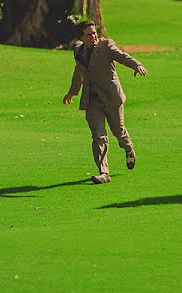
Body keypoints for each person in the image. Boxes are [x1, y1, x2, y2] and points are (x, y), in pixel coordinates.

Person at [63, 21, 148, 184]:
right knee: (98, 136)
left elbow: (122, 56)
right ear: (81, 37)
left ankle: (129, 148)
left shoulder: (106, 46)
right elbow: (79, 73)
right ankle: (104, 172)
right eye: (89, 34)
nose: (93, 36)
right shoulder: (78, 52)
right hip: (92, 101)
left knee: (119, 132)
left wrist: (136, 65)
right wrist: (72, 92)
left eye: (94, 33)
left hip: (111, 98)